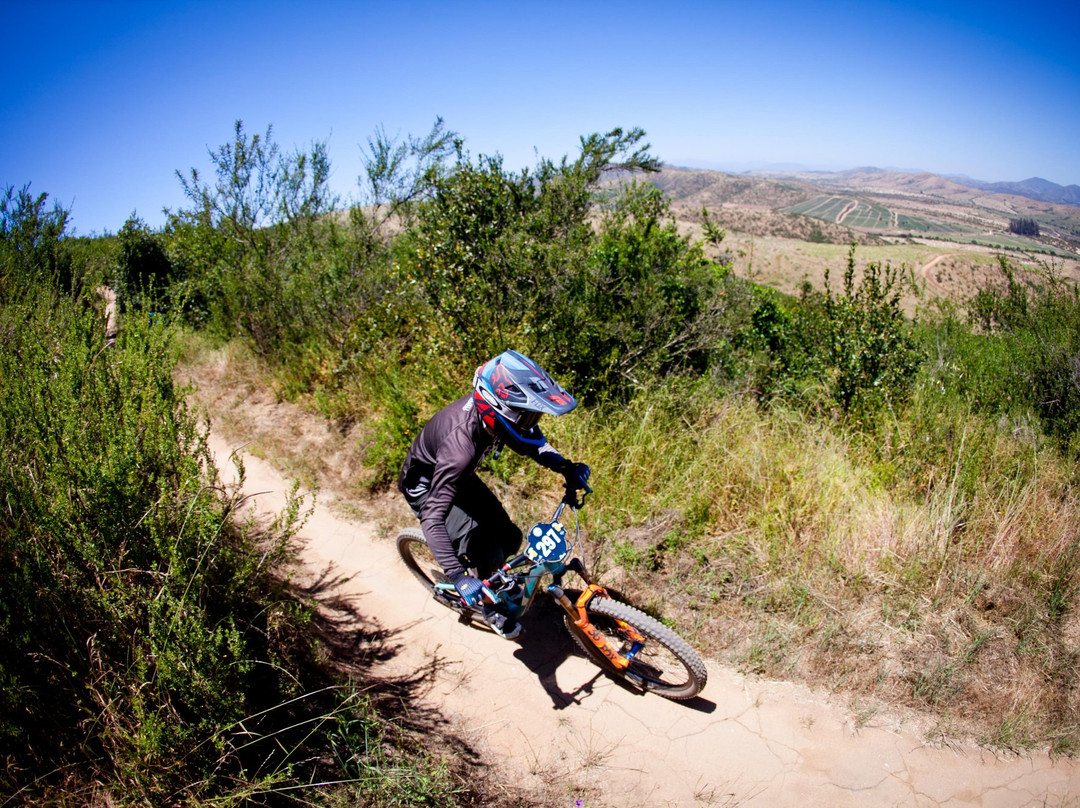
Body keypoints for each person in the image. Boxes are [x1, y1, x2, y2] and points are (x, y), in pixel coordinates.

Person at [398, 350, 591, 639]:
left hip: (455, 477)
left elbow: (534, 444)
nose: (532, 422)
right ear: (498, 410)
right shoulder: (461, 449)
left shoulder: (494, 415)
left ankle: (488, 575)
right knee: (486, 548)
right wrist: (458, 576)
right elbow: (432, 519)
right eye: (526, 417)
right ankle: (490, 611)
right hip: (426, 487)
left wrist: (565, 467)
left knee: (510, 536)